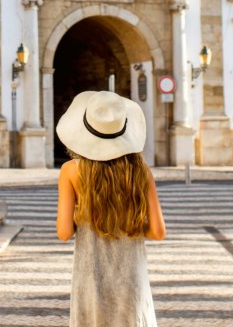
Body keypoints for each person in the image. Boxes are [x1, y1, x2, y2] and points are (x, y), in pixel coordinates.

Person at [56, 90, 166, 327]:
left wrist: (86, 212)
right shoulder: (141, 172)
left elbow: (64, 232)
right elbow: (158, 232)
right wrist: (128, 218)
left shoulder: (71, 171)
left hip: (90, 279)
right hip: (131, 280)